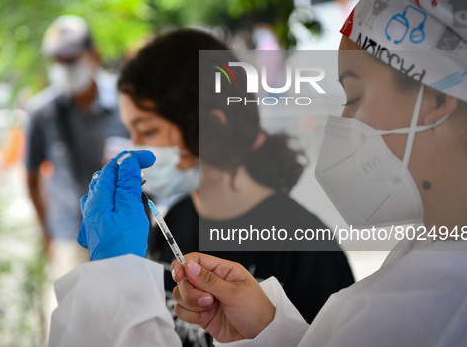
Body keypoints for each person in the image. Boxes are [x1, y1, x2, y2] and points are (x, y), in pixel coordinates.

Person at [49, 0, 467, 346]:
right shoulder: (437, 256)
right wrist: (267, 331)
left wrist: (110, 285)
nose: (344, 122)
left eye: (355, 95)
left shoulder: (449, 306)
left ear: (437, 95)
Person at [115, 29, 354, 345]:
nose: (133, 150)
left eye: (146, 130)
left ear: (211, 125)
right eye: (129, 132)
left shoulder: (304, 246)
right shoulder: (169, 224)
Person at [25, 15, 128, 277]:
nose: (64, 66)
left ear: (93, 55)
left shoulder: (126, 102)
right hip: (70, 235)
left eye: (71, 59)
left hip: (123, 230)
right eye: (58, 60)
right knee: (77, 313)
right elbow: (31, 177)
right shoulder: (42, 112)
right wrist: (47, 233)